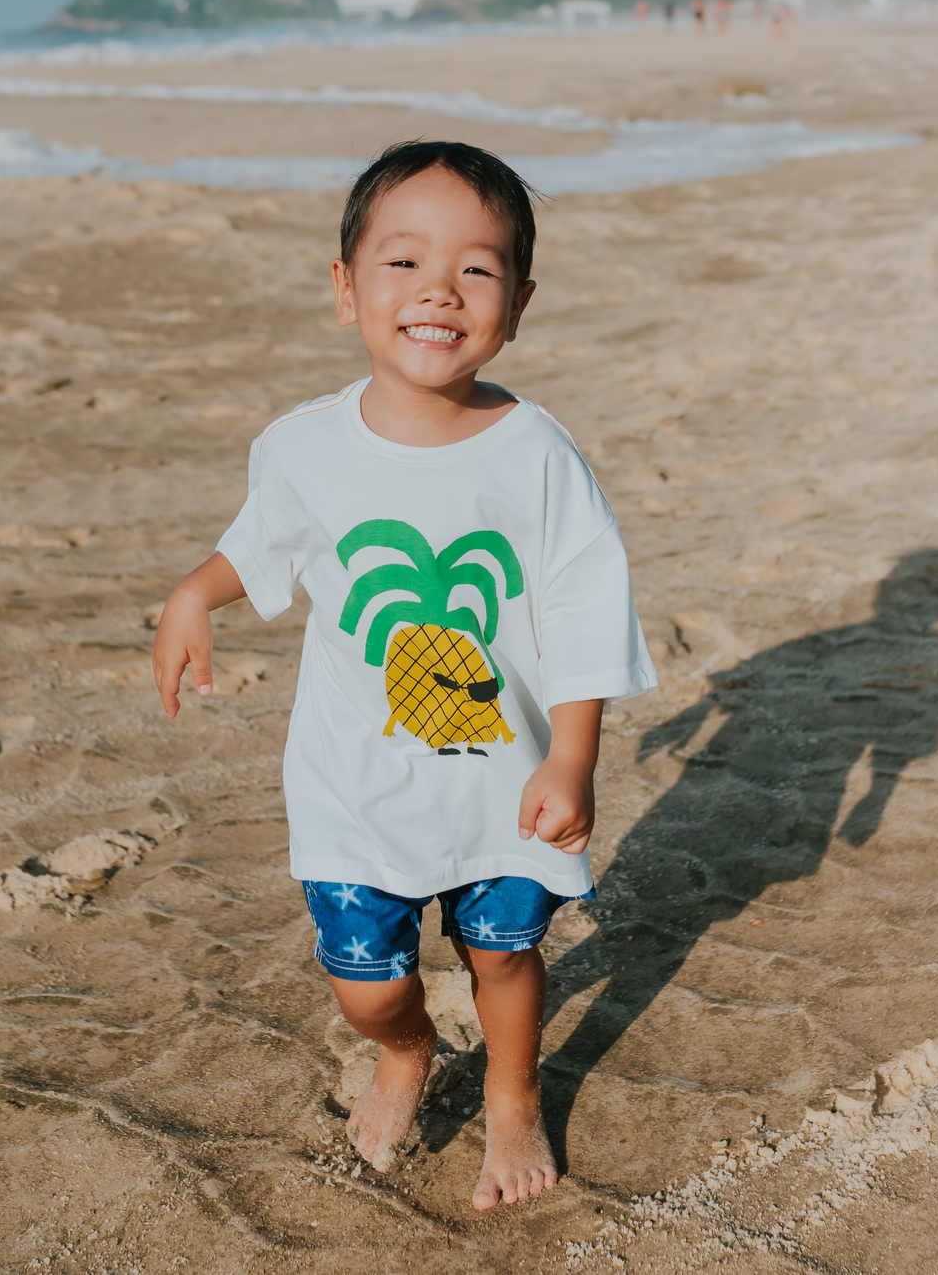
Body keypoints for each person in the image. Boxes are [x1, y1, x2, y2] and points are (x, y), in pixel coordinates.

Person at [152, 140, 657, 1211]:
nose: (439, 288)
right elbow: (265, 542)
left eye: (476, 268)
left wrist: (573, 756)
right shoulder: (303, 447)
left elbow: (582, 608)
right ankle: (407, 1049)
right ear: (345, 290)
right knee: (365, 981)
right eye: (403, 262)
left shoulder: (536, 453)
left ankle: (515, 1092)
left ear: (517, 303)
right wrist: (196, 592)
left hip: (503, 775)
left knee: (506, 955)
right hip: (355, 780)